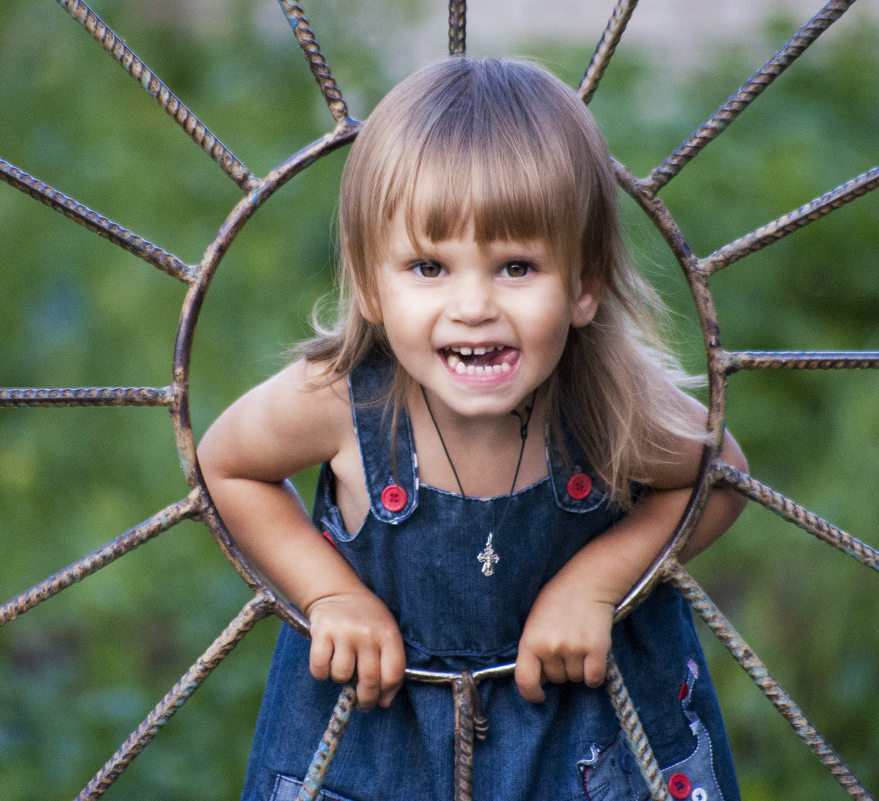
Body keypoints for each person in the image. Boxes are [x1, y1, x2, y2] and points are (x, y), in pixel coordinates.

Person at [198, 56, 747, 801]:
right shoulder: (341, 400)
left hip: (584, 739)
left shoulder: (602, 395)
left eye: (516, 267)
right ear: (368, 282)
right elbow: (227, 465)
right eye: (429, 267)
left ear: (583, 284)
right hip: (380, 739)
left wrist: (595, 580)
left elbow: (718, 478)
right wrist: (331, 596)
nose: (472, 305)